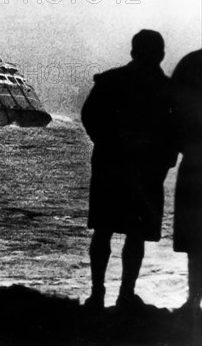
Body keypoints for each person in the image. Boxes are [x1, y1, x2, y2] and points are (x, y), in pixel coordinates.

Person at [81, 30, 177, 310]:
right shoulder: (168, 90)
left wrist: (108, 143)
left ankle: (97, 294)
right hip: (147, 171)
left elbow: (90, 117)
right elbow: (175, 131)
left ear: (133, 51)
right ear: (160, 54)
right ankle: (126, 295)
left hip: (110, 166)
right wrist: (165, 161)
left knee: (103, 230)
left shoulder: (110, 80)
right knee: (136, 235)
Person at [170, 49, 202, 314]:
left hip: (194, 162)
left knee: (195, 242)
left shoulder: (190, 63)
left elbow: (170, 113)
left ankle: (194, 300)